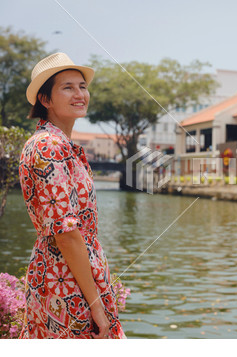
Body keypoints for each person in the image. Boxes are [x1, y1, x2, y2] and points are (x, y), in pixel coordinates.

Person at [19, 53, 125, 339]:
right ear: (45, 100)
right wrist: (96, 304)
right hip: (65, 283)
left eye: (82, 86)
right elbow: (65, 233)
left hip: (66, 275)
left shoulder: (61, 146)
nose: (79, 94)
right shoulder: (49, 147)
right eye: (67, 87)